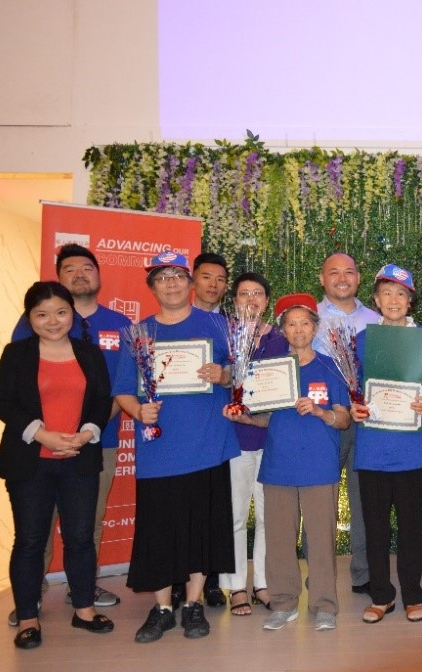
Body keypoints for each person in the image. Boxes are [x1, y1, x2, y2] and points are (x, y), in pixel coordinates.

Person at [113, 252, 239, 643]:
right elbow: (122, 390)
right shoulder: (138, 334)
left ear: (191, 284)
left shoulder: (218, 325)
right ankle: (163, 607)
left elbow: (241, 374)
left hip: (207, 444)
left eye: (178, 277)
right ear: (152, 287)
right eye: (162, 278)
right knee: (159, 529)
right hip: (159, 448)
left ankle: (194, 604)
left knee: (203, 526)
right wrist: (138, 410)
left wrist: (223, 375)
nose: (171, 284)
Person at [9, 243, 129, 621]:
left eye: (87, 267)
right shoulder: (35, 323)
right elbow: (15, 390)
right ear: (58, 277)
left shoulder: (121, 323)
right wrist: (46, 433)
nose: (80, 274)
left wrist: (89, 430)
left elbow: (123, 382)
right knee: (34, 529)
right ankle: (33, 593)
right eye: (70, 268)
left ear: (98, 274)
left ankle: (83, 592)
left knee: (86, 524)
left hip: (99, 442)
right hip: (37, 446)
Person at [0, 281, 115, 649]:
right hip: (30, 462)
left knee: (80, 539)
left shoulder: (89, 354)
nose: (52, 321)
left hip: (79, 458)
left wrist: (86, 433)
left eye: (61, 312)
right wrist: (43, 434)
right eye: (42, 314)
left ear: (72, 315)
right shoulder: (16, 353)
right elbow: (5, 404)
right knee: (30, 541)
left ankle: (84, 610)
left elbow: (100, 400)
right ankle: (28, 617)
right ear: (30, 317)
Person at [225, 293, 352, 632]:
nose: (299, 329)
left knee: (321, 540)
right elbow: (265, 419)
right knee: (279, 540)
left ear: (315, 327)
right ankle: (283, 603)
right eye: (291, 323)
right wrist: (242, 418)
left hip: (319, 465)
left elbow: (344, 419)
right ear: (282, 329)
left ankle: (325, 605)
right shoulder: (268, 370)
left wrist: (321, 411)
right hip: (278, 464)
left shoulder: (330, 367)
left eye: (305, 323)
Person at [349, 264, 422, 624]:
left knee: (412, 525)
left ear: (410, 301)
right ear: (376, 299)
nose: (394, 300)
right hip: (373, 443)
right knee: (376, 524)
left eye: (401, 294)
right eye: (386, 293)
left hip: (412, 444)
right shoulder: (362, 341)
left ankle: (413, 594)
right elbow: (353, 386)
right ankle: (382, 595)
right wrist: (354, 406)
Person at [221, 272, 289, 616]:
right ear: (234, 300)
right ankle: (235, 587)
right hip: (233, 439)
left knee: (269, 517)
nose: (251, 299)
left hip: (272, 438)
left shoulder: (280, 339)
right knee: (234, 516)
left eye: (258, 293)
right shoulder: (222, 336)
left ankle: (263, 583)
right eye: (244, 293)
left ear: (267, 301)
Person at [315, 252, 379, 595]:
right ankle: (318, 572)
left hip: (367, 422)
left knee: (363, 498)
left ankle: (363, 573)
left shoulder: (377, 319)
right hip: (324, 421)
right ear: (322, 279)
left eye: (349, 272)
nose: (342, 278)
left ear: (358, 277)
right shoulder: (309, 317)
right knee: (320, 497)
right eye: (334, 272)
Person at [175, 250, 232, 610]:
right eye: (207, 277)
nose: (213, 284)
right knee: (180, 510)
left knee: (213, 507)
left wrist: (226, 375)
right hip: (178, 430)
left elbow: (237, 373)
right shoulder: (170, 320)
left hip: (217, 429)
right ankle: (179, 579)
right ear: (192, 280)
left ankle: (210, 582)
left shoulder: (230, 326)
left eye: (221, 279)